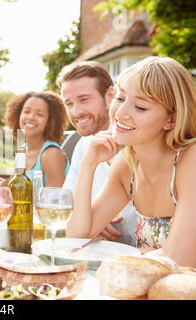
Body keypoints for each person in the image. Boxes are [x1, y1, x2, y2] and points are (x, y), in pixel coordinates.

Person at [67, 56, 196, 267]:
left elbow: (179, 259)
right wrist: (88, 166)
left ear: (171, 120)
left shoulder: (191, 160)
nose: (121, 112)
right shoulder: (128, 166)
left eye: (140, 107)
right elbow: (77, 236)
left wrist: (128, 260)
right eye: (120, 98)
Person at [56, 60, 137, 246]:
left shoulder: (140, 142)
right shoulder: (84, 145)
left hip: (141, 255)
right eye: (68, 103)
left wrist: (94, 218)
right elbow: (66, 208)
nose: (76, 112)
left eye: (84, 99)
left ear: (110, 95)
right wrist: (91, 221)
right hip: (94, 253)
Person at [3, 91, 70, 186]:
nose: (31, 117)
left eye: (39, 114)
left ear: (49, 121)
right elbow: (15, 191)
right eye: (26, 111)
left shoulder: (51, 154)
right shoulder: (22, 151)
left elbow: (56, 199)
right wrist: (4, 188)